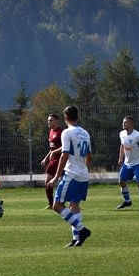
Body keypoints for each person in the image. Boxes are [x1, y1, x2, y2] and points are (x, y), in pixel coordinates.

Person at [47, 105, 93, 247]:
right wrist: (85, 170)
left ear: (65, 117)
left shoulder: (67, 132)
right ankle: (76, 238)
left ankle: (82, 230)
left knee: (57, 205)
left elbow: (65, 155)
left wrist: (56, 177)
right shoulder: (85, 133)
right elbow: (89, 155)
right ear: (77, 116)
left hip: (72, 174)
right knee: (74, 206)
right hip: (83, 174)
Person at [40, 113, 63, 209]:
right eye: (48, 120)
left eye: (51, 120)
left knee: (65, 183)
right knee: (47, 182)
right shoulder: (51, 132)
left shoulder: (61, 132)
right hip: (53, 161)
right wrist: (46, 158)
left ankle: (72, 203)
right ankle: (51, 204)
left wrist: (55, 152)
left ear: (56, 121)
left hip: (62, 160)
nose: (48, 122)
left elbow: (65, 147)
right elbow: (51, 149)